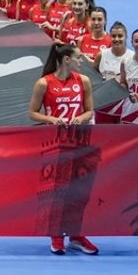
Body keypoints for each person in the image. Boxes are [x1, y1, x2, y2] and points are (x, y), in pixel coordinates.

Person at [28, 42, 97, 256]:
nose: (81, 60)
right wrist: (51, 119)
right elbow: (32, 113)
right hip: (57, 144)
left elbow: (90, 111)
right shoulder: (44, 83)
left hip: (80, 143)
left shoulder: (83, 81)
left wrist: (81, 118)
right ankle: (56, 236)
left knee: (79, 193)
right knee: (57, 193)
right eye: (78, 57)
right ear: (67, 59)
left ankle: (76, 236)